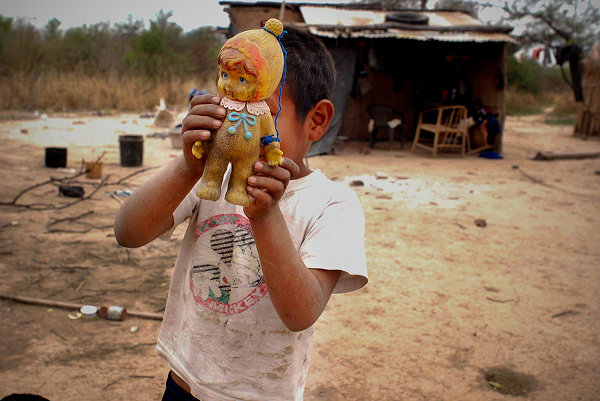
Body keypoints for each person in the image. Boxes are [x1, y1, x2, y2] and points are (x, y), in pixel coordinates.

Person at [114, 27, 368, 401]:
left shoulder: (333, 205)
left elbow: (301, 313)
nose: (236, 116)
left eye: (260, 107)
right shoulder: (211, 179)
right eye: (229, 94)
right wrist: (188, 167)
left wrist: (265, 217)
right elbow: (128, 232)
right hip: (184, 384)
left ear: (315, 121)